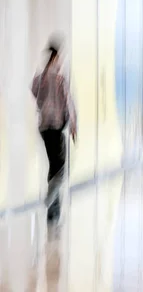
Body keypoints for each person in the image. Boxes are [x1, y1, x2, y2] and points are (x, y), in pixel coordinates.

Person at [32, 42, 77, 224]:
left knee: (53, 167)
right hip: (56, 127)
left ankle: (53, 213)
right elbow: (68, 103)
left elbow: (34, 90)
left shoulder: (41, 77)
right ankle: (49, 201)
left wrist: (44, 105)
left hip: (43, 127)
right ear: (55, 57)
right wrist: (74, 126)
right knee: (60, 171)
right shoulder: (59, 78)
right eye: (60, 56)